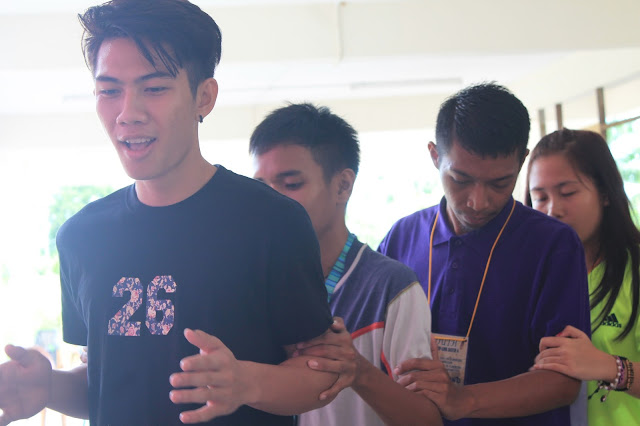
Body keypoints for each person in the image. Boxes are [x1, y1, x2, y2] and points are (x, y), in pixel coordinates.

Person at [0, 1, 342, 425]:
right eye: (109, 91)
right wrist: (50, 387)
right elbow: (106, 382)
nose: (128, 113)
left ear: (204, 96)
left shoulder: (272, 222)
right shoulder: (81, 236)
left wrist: (247, 383)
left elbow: (320, 373)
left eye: (154, 88)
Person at [377, 83, 592, 425]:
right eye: (460, 180)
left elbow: (563, 382)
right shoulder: (402, 237)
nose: (478, 201)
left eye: (499, 183)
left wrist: (462, 400)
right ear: (435, 156)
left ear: (522, 160)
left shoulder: (552, 244)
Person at [249, 103, 442, 426]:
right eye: (260, 186)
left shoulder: (391, 288)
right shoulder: (248, 283)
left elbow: (427, 420)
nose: (270, 202)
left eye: (291, 185)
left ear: (342, 186)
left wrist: (359, 371)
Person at [526, 128, 640, 425]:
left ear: (605, 193)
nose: (552, 210)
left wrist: (609, 367)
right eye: (540, 198)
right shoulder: (526, 275)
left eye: (568, 193)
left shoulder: (634, 269)